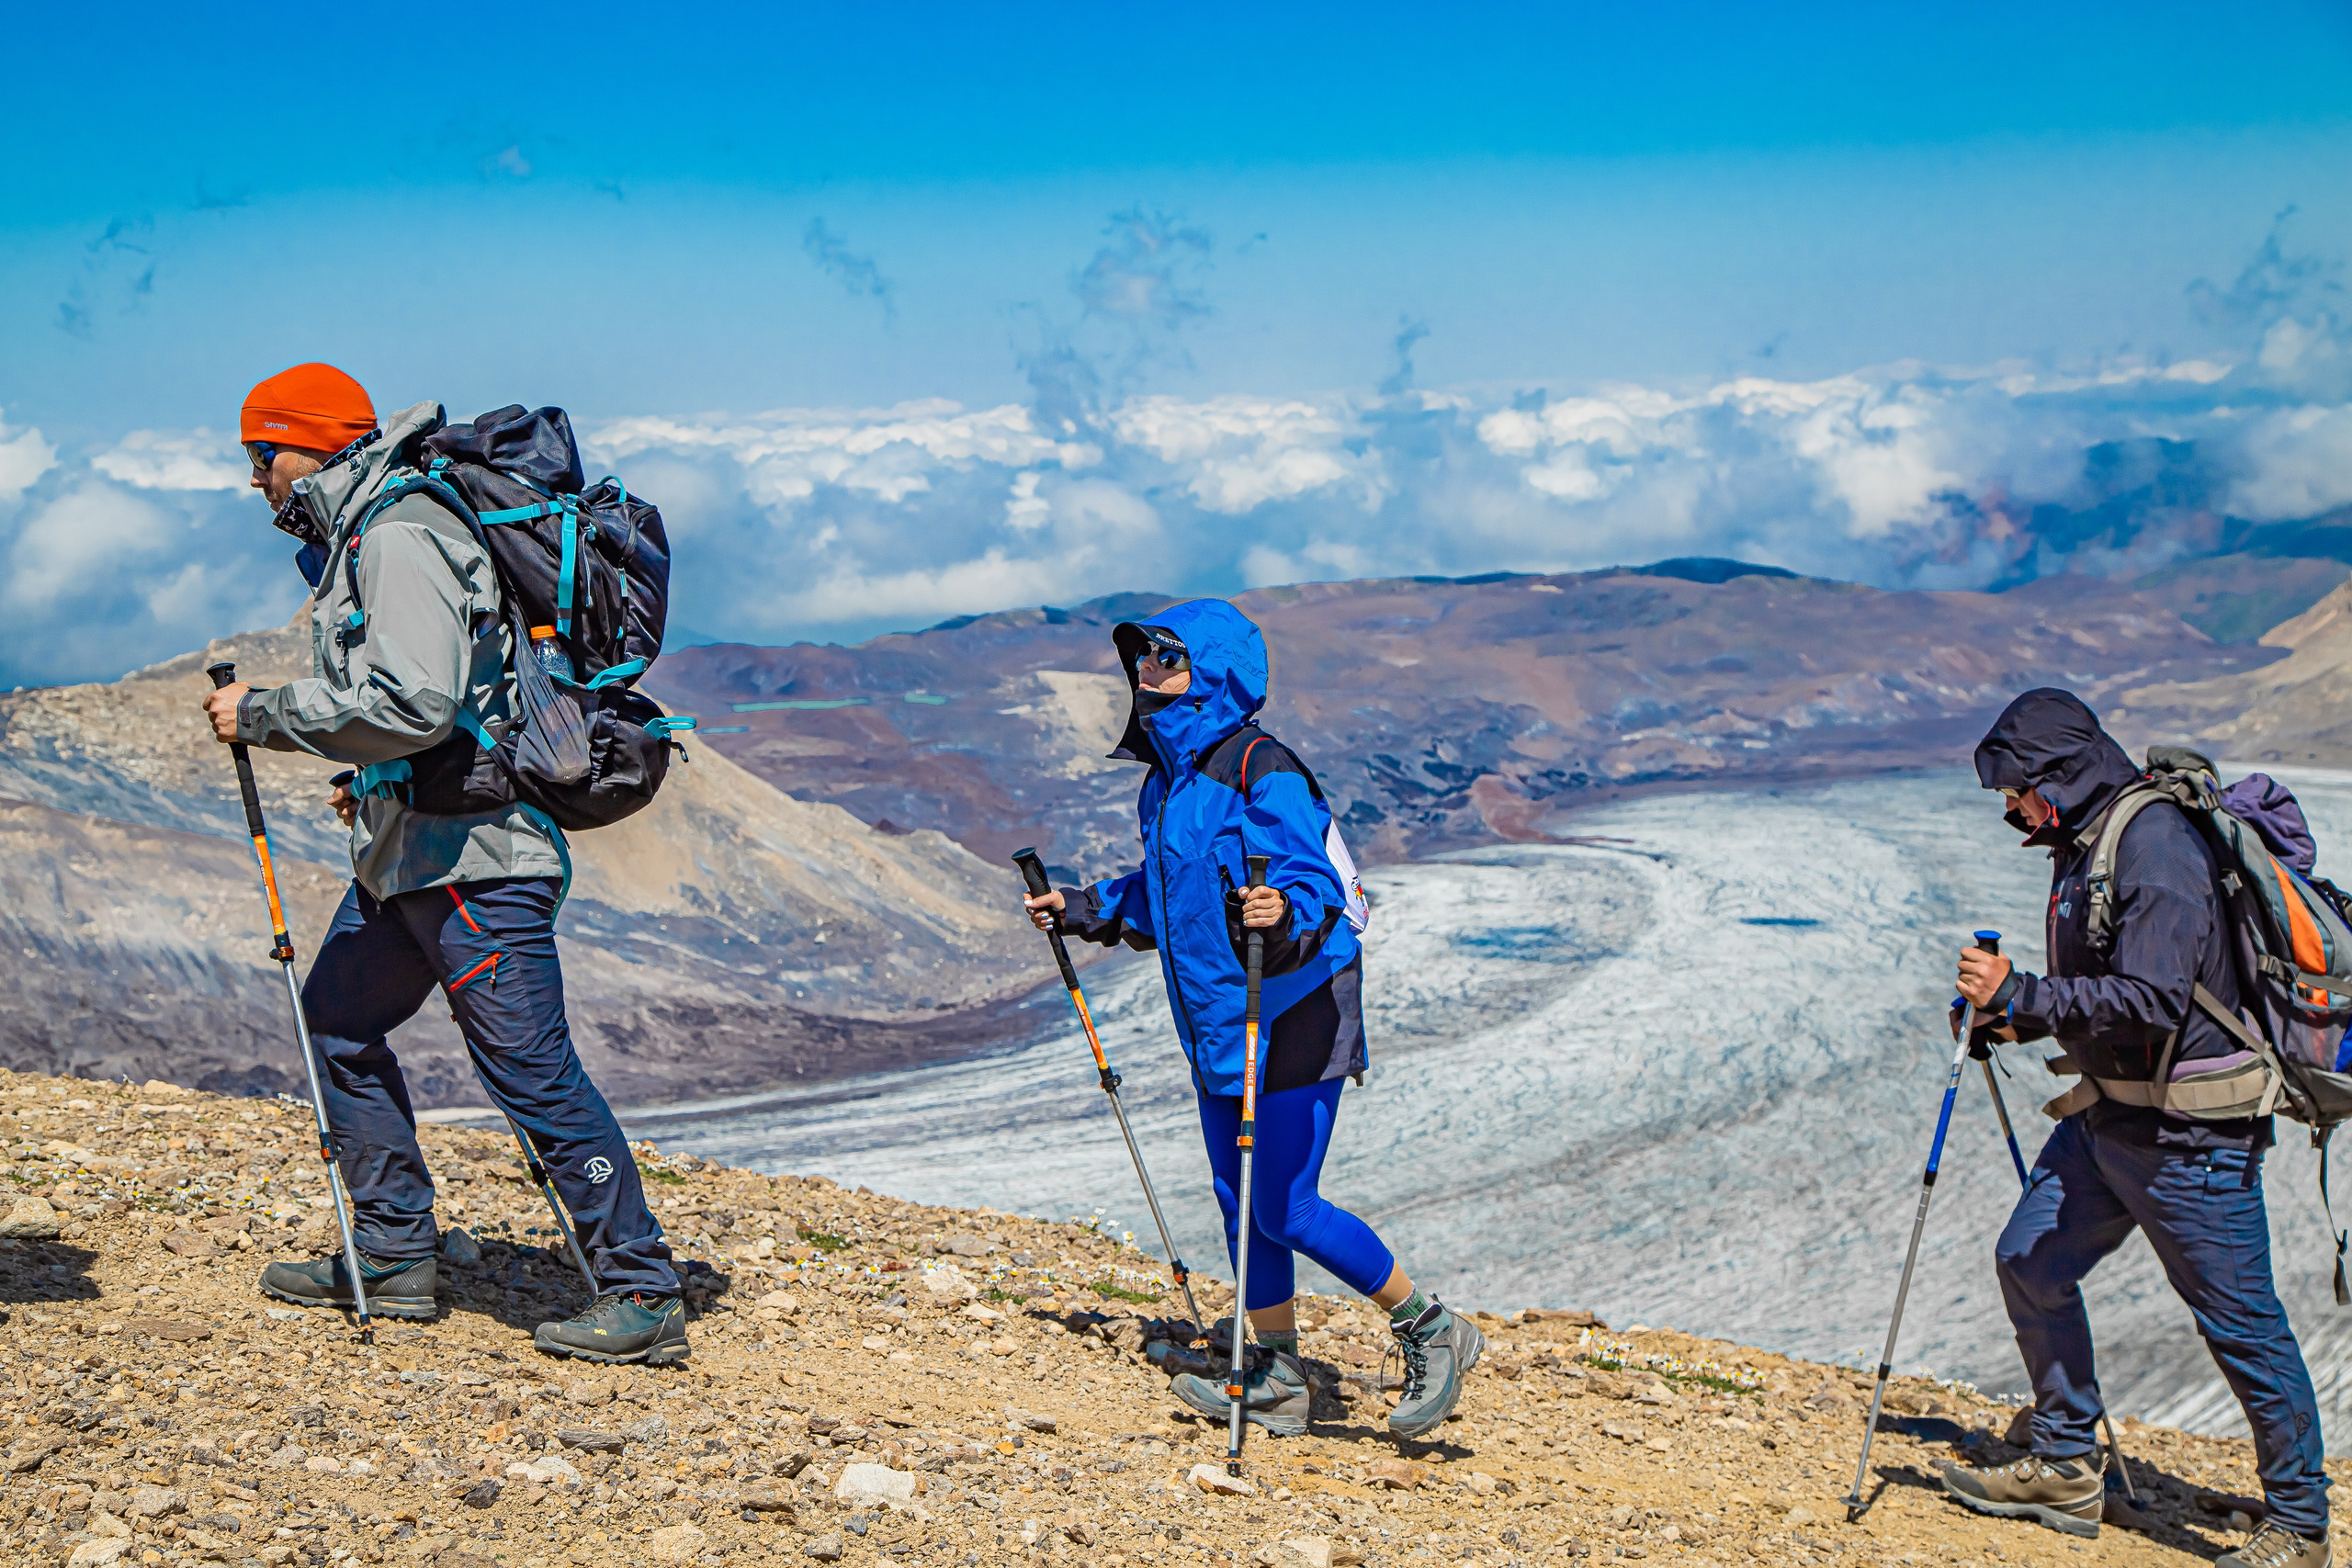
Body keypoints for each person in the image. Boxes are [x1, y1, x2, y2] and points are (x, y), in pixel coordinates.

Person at [200, 363, 687, 1364]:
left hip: (476, 863)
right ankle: (391, 1255)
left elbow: (412, 703)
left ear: (306, 444)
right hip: (411, 855)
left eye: (262, 456)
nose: (257, 481)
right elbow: (434, 716)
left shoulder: (399, 533)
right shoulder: (372, 531)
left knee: (533, 1075)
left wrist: (265, 713)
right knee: (336, 1023)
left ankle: (640, 1291)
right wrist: (373, 782)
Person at [1021, 599, 1480, 1440]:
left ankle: (1431, 1326)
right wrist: (1085, 906)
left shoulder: (1261, 767)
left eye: (1165, 654)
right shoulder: (1166, 780)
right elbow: (1167, 894)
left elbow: (1316, 885)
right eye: (1141, 655)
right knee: (1240, 1206)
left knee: (1286, 1206)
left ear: (1215, 667)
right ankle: (1275, 1373)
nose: (1144, 669)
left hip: (1298, 1002)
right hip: (1221, 1023)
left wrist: (1282, 911)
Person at [1939, 688, 2329, 1567]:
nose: (2009, 808)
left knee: (2241, 1323)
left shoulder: (2155, 845)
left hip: (2192, 1140)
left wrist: (2024, 995)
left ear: (2058, 776)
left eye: (2014, 789)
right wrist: (2012, 1015)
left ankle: (2301, 1526)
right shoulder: (2087, 839)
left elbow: (2152, 1003)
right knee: (2031, 1260)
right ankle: (2069, 1464)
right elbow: (2108, 994)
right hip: (2110, 1118)